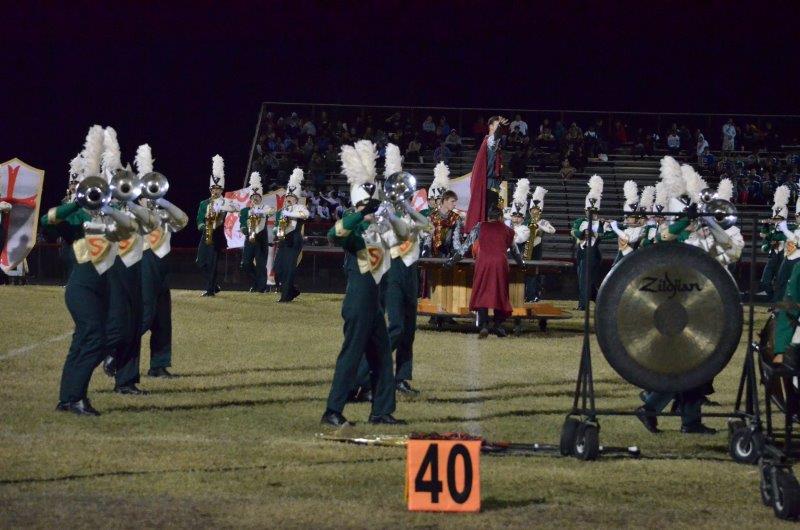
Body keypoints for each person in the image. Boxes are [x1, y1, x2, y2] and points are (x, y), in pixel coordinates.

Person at [638, 166, 743, 435]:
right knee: (692, 365)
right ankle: (659, 407)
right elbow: (663, 238)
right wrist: (689, 220)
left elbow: (733, 253)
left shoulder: (730, 232)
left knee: (701, 366)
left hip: (716, 302)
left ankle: (681, 416)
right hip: (692, 304)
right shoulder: (690, 235)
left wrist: (712, 225)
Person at [41, 125, 134, 415]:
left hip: (102, 287)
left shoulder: (110, 218)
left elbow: (131, 226)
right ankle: (76, 397)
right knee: (94, 338)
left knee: (83, 340)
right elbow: (46, 220)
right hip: (82, 287)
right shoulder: (75, 218)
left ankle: (68, 398)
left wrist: (111, 205)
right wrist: (76, 203)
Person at [322, 140, 405, 427]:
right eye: (365, 205)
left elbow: (404, 233)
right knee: (350, 357)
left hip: (374, 305)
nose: (370, 210)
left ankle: (381, 411)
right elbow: (334, 234)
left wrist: (388, 210)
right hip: (358, 304)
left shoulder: (380, 227)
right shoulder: (354, 227)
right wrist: (361, 213)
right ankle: (332, 410)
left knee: (382, 359)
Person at [354, 144, 431, 397]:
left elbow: (427, 225)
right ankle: (363, 375)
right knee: (396, 327)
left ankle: (402, 378)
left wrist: (408, 208)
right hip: (395, 270)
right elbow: (390, 238)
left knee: (409, 330)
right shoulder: (383, 214)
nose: (401, 193)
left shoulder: (410, 212)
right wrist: (389, 212)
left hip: (411, 271)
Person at [100, 129, 160, 396]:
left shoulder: (134, 209)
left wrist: (134, 205)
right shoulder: (102, 209)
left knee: (134, 325)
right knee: (116, 324)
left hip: (135, 268)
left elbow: (153, 223)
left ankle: (126, 381)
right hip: (112, 270)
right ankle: (105, 352)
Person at [136, 146, 189, 379]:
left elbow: (183, 220)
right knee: (145, 315)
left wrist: (163, 202)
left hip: (162, 267)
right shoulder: (133, 214)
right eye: (146, 194)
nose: (149, 198)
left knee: (162, 319)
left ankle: (158, 365)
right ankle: (116, 353)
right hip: (144, 264)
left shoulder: (163, 215)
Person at [450, 205, 523, 338]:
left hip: (483, 262)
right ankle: (498, 325)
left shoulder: (479, 226)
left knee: (482, 292)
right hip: (500, 263)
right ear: (500, 217)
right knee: (500, 292)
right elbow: (514, 250)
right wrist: (521, 263)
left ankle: (484, 325)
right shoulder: (507, 230)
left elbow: (465, 247)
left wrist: (452, 261)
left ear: (488, 217)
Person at [570, 175, 615, 310]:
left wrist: (598, 232)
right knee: (583, 280)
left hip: (593, 253)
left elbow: (611, 235)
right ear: (585, 210)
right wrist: (583, 233)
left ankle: (583, 305)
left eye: (594, 211)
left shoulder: (601, 223)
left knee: (586, 280)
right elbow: (573, 231)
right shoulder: (580, 221)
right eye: (589, 211)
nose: (592, 214)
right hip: (581, 252)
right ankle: (599, 300)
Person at [196, 155, 236, 297]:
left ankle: (209, 290)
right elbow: (199, 219)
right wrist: (203, 226)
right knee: (201, 262)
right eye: (213, 188)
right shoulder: (204, 203)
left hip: (216, 235)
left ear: (222, 189)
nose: (216, 191)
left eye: (218, 189)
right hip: (205, 234)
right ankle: (213, 285)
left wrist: (223, 206)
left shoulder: (224, 202)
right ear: (210, 189)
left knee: (212, 264)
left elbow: (235, 208)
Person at [465, 115, 508, 232]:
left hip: (494, 184)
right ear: (490, 127)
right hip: (489, 185)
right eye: (497, 125)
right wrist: (500, 127)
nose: (499, 128)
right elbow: (495, 138)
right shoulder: (489, 141)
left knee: (493, 215)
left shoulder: (494, 144)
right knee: (489, 215)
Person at [275, 168, 310, 302]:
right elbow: (278, 225)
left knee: (289, 269)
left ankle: (285, 297)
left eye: (291, 197)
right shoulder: (282, 210)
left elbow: (305, 215)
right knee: (278, 268)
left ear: (296, 199)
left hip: (294, 240)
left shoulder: (300, 208)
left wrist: (289, 213)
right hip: (283, 240)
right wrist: (276, 230)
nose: (288, 199)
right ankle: (292, 290)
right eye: (287, 197)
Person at [239, 172, 275, 293]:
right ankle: (256, 282)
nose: (255, 198)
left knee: (261, 264)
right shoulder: (245, 211)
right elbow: (242, 223)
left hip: (261, 239)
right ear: (250, 198)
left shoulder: (265, 207)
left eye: (257, 196)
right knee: (245, 263)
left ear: (261, 197)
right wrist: (246, 231)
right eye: (253, 196)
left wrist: (261, 211)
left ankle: (261, 287)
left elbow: (271, 211)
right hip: (249, 238)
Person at [523, 185, 555, 302]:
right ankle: (526, 294)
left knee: (535, 272)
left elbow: (552, 230)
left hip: (537, 249)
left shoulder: (543, 222)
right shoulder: (526, 222)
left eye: (537, 210)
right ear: (530, 210)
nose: (535, 212)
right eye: (533, 210)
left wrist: (540, 226)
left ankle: (534, 294)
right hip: (526, 248)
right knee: (525, 272)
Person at [756, 185, 790, 298]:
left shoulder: (784, 209)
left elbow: (779, 219)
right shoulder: (775, 209)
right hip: (774, 250)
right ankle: (770, 294)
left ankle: (777, 297)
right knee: (767, 276)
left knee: (780, 276)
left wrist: (766, 221)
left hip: (782, 249)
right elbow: (773, 225)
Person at [609, 180, 646, 266]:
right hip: (621, 258)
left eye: (629, 217)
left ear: (637, 218)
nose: (627, 220)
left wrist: (616, 228)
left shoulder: (641, 230)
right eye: (626, 217)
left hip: (632, 259)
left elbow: (629, 239)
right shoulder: (627, 228)